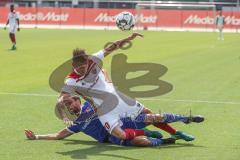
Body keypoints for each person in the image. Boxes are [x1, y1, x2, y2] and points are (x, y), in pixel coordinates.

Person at [56, 32, 204, 141]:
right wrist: (64, 117)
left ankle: (177, 129)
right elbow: (60, 100)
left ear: (88, 61)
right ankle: (146, 133)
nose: (83, 70)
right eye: (79, 68)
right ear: (73, 66)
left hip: (118, 98)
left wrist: (128, 38)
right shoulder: (70, 80)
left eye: (84, 66)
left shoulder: (94, 59)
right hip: (104, 111)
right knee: (120, 135)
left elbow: (111, 47)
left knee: (149, 114)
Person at [25, 97, 176, 147]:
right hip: (110, 138)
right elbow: (59, 135)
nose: (70, 107)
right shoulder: (76, 123)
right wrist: (37, 136)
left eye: (71, 103)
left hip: (119, 124)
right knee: (141, 143)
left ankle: (169, 128)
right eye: (67, 106)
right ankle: (162, 141)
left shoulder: (91, 104)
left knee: (149, 117)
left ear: (78, 100)